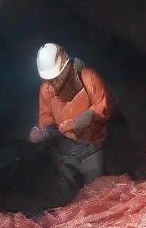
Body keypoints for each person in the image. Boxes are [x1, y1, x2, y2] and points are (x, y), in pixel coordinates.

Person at [29, 43, 110, 187]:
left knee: (96, 188)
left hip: (92, 144)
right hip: (67, 146)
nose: (53, 82)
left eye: (57, 77)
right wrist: (43, 131)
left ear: (66, 67)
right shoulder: (46, 88)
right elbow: (46, 116)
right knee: (67, 184)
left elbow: (102, 106)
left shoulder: (88, 78)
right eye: (50, 79)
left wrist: (89, 116)